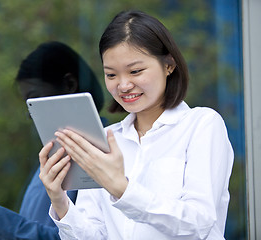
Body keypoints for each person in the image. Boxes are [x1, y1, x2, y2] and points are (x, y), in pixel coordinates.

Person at [39, 10, 234, 239]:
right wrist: (59, 201)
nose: (123, 85)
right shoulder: (105, 138)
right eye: (111, 75)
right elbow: (95, 234)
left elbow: (198, 223)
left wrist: (122, 189)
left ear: (169, 65)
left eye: (135, 71)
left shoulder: (202, 125)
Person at [0, 41, 105, 240]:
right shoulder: (55, 154)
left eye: (34, 99)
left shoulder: (100, 154)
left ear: (69, 85)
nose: (30, 114)